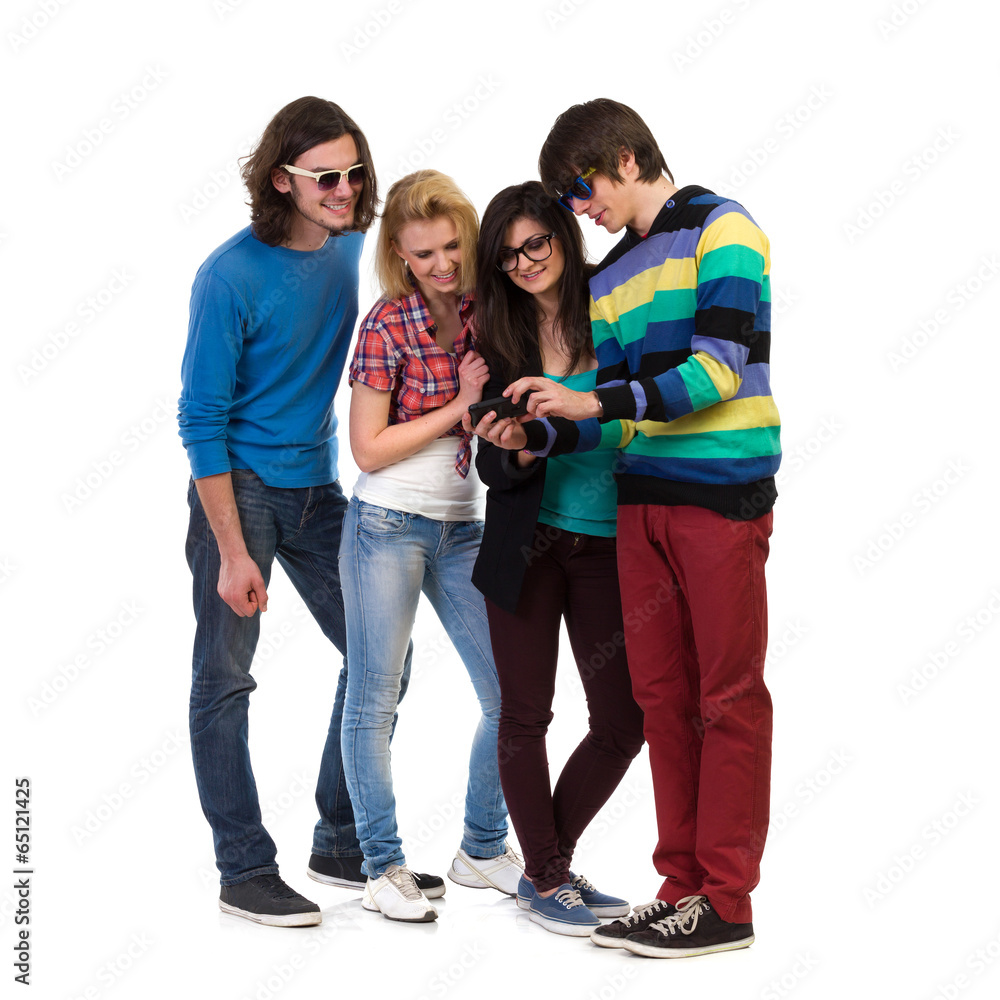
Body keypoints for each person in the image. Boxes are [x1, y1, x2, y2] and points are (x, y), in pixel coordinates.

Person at [490, 99, 781, 958]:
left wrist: (588, 402)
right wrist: (541, 433)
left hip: (720, 498)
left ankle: (726, 900)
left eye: (580, 190)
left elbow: (717, 372)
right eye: (568, 199)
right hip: (638, 506)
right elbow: (619, 418)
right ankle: (681, 888)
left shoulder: (725, 231)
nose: (579, 211)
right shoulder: (613, 274)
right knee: (662, 701)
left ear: (623, 157)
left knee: (728, 697)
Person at [178, 96, 443, 927]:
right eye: (325, 177)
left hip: (319, 490)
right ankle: (244, 870)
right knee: (224, 679)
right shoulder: (228, 276)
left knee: (383, 658)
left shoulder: (352, 242)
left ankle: (337, 837)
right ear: (281, 180)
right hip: (239, 492)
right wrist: (231, 551)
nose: (345, 189)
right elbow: (199, 420)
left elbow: (431, 259)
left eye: (354, 172)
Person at [339, 169, 523, 924]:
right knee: (374, 698)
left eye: (452, 246)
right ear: (399, 255)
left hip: (463, 527)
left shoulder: (489, 308)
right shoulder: (387, 323)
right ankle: (382, 866)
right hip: (385, 524)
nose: (443, 264)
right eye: (424, 254)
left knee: (513, 697)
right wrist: (460, 404)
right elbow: (367, 448)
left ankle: (482, 847)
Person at [464, 182, 644, 937]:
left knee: (623, 721)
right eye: (508, 255)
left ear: (565, 237)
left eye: (536, 243)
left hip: (609, 543)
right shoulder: (498, 337)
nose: (526, 263)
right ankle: (546, 875)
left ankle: (546, 869)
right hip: (527, 548)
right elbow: (491, 464)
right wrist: (512, 447)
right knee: (525, 714)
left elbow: (646, 409)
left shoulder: (617, 307)